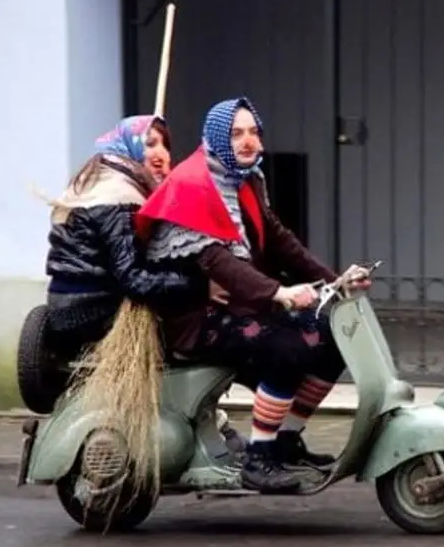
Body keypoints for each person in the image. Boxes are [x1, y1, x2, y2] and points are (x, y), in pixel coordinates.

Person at [135, 97, 371, 494]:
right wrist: (279, 293)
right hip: (197, 315)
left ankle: (285, 440)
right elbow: (217, 263)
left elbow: (279, 241)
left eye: (253, 132)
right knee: (287, 347)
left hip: (242, 304)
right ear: (216, 138)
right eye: (236, 133)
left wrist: (335, 281)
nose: (248, 141)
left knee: (333, 337)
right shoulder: (192, 185)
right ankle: (259, 459)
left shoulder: (245, 178)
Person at [44, 115, 194, 342]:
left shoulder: (95, 183)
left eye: (165, 145)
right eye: (150, 143)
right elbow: (134, 279)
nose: (161, 153)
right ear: (129, 145)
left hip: (64, 305)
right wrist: (195, 284)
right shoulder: (118, 197)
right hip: (93, 311)